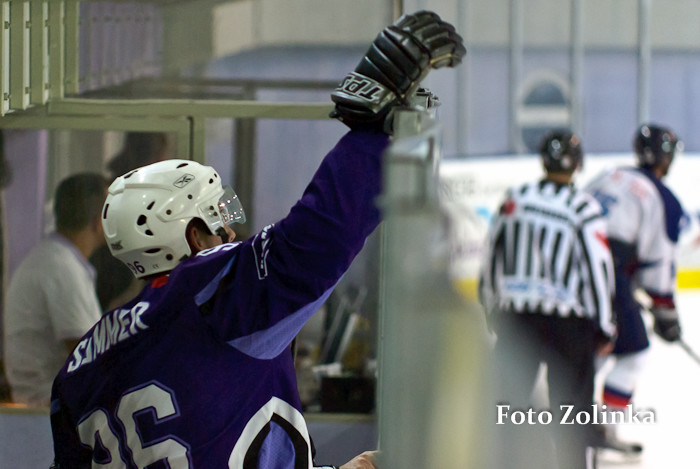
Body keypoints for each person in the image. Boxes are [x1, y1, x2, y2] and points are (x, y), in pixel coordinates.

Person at [49, 11, 465, 468]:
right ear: (189, 234)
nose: (230, 231)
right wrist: (374, 129)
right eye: (216, 217)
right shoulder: (203, 293)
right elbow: (313, 242)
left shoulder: (77, 372)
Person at [479, 130, 616, 469]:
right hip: (568, 327)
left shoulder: (516, 199)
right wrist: (605, 326)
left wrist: (491, 307)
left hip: (517, 319)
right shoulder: (582, 208)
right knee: (570, 417)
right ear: (578, 165)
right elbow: (598, 268)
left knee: (504, 411)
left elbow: (490, 257)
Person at [584, 123, 684, 454]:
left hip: (572, 271)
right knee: (634, 352)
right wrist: (665, 311)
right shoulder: (663, 198)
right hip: (609, 276)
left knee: (594, 346)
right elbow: (658, 262)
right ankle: (602, 432)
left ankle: (573, 425)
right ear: (665, 158)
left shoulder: (608, 175)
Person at [3, 173, 108, 407]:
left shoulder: (56, 259)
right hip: (48, 411)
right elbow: (88, 355)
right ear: (99, 221)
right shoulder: (61, 267)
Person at [91, 132, 170, 312]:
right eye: (163, 156)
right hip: (114, 277)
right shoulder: (131, 194)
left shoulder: (118, 186)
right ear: (154, 158)